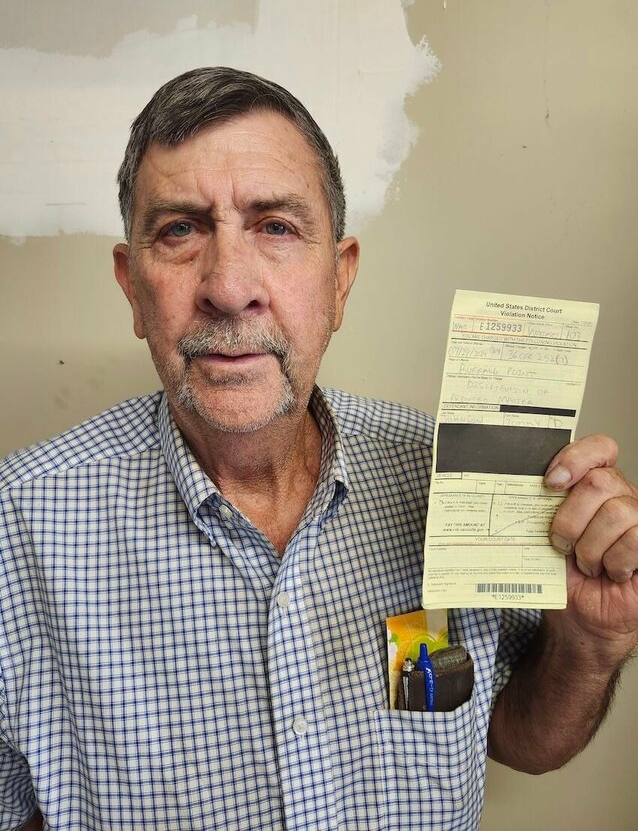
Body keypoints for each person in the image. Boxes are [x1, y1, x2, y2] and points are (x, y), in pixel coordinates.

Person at [0, 67, 636, 831]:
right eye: (180, 230)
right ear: (133, 286)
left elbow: (511, 735)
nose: (230, 288)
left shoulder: (439, 476)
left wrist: (593, 641)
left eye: (275, 226)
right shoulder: (18, 530)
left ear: (340, 280)